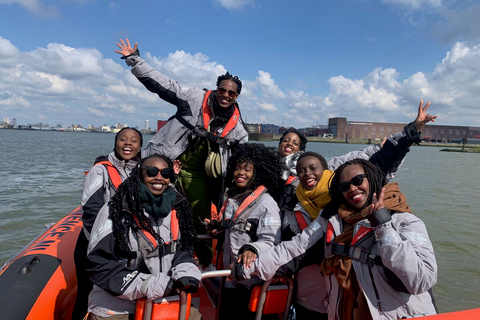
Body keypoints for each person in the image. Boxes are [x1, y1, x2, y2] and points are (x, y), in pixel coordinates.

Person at [234, 158, 438, 320]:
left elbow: (420, 280)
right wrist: (250, 266)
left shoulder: (404, 221)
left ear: (373, 179)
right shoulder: (332, 220)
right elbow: (294, 248)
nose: (352, 189)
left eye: (358, 181)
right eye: (344, 186)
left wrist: (383, 225)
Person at [115, 38, 249, 267]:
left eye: (232, 93)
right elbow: (161, 83)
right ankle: (138, 254)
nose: (226, 95)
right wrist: (134, 60)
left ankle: (202, 261)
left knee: (200, 216)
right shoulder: (194, 97)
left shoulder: (237, 128)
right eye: (222, 90)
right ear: (216, 90)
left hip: (198, 173)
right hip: (165, 161)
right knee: (147, 205)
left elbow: (246, 158)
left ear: (237, 97)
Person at [85, 154, 201, 319]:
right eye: (152, 172)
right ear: (139, 174)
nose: (159, 177)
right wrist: (144, 284)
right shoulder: (115, 211)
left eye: (165, 173)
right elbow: (98, 264)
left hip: (163, 302)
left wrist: (185, 267)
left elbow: (181, 248)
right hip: (118, 307)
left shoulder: (177, 208)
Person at [204, 143, 284, 320]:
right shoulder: (232, 199)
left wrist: (252, 249)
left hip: (254, 281)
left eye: (247, 169)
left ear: (259, 173)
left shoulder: (266, 203)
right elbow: (234, 231)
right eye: (238, 168)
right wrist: (219, 230)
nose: (241, 173)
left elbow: (271, 240)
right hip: (231, 276)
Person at [73, 127, 143, 319]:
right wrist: (107, 247)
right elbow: (90, 212)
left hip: (129, 247)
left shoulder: (144, 172)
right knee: (85, 295)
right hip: (96, 246)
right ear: (116, 143)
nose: (128, 143)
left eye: (133, 140)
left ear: (140, 147)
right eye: (123, 139)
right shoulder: (100, 170)